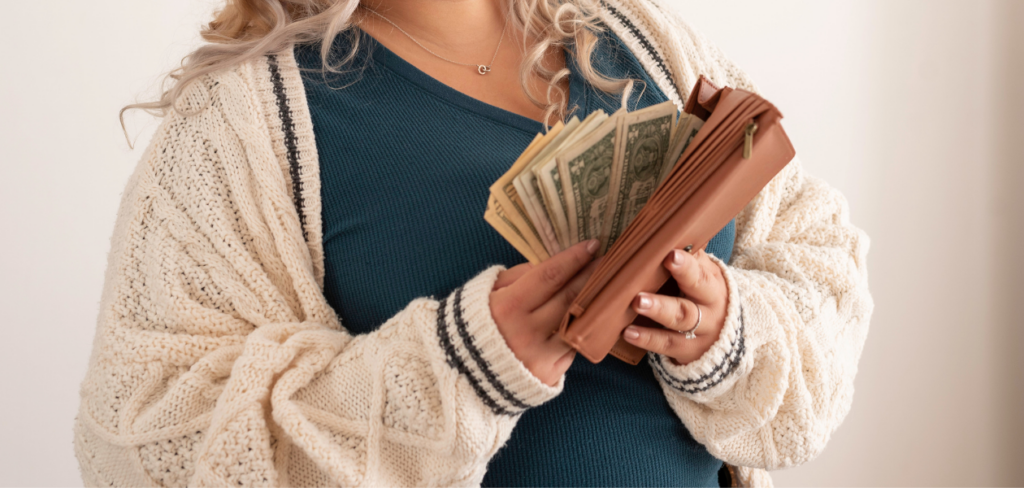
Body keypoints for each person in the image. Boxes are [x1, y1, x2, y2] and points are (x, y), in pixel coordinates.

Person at [72, 0, 873, 486]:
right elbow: (143, 447)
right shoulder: (240, 122)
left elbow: (820, 274)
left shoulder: (645, 43)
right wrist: (457, 368)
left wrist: (726, 331)